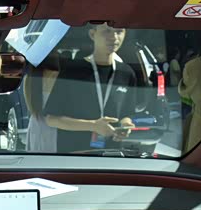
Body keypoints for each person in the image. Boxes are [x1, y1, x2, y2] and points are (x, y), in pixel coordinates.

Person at [44, 23, 136, 153]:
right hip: (74, 154)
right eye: (107, 31)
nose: (114, 37)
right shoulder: (73, 70)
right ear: (92, 34)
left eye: (119, 31)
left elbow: (126, 113)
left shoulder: (126, 73)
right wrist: (93, 126)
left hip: (112, 153)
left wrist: (125, 125)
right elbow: (52, 119)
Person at [22, 53, 60, 153]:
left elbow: (30, 107)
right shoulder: (57, 76)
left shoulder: (29, 79)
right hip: (54, 125)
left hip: (35, 124)